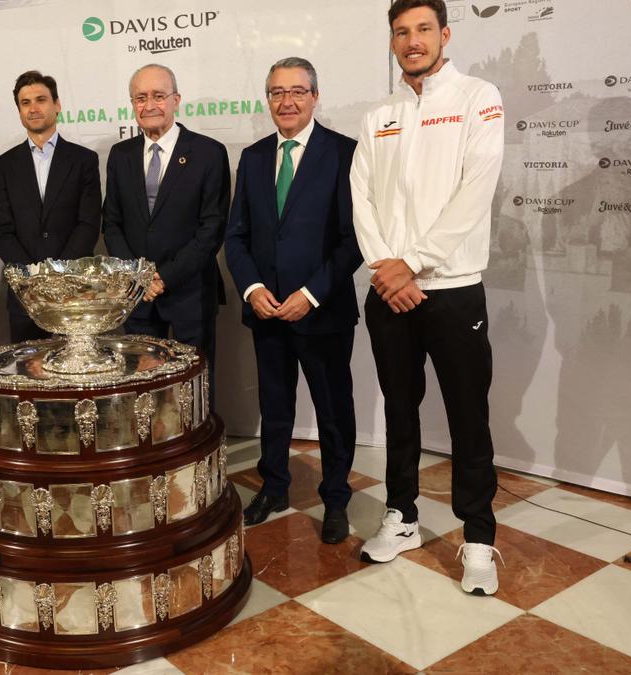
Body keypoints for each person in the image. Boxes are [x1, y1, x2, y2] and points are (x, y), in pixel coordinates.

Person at [351, 0, 506, 595]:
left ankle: (479, 539)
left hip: (453, 291)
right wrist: (387, 269)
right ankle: (403, 516)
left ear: (444, 34)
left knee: (470, 418)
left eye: (422, 30)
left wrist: (412, 263)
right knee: (400, 409)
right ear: (391, 42)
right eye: (400, 32)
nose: (412, 42)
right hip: (389, 293)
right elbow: (361, 194)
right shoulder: (380, 113)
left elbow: (476, 190)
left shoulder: (477, 96)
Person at [224, 57, 361, 544]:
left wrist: (310, 294)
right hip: (266, 312)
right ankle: (274, 487)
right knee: (275, 407)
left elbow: (353, 241)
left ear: (315, 96)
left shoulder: (345, 153)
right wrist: (253, 288)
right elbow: (235, 237)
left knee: (332, 410)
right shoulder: (255, 157)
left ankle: (336, 499)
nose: (287, 101)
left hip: (321, 312)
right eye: (277, 93)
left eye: (297, 91)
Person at [102, 64, 230, 404]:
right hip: (138, 296)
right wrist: (140, 277)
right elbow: (111, 223)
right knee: (144, 388)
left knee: (196, 386)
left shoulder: (208, 152)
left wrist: (164, 277)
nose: (150, 105)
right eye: (140, 98)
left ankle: (198, 452)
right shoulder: (120, 155)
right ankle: (153, 454)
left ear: (176, 100)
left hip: (190, 293)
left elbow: (212, 227)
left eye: (158, 96)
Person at [0, 70, 102, 343]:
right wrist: (34, 278)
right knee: (29, 375)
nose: (33, 108)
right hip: (25, 292)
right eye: (25, 102)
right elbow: (1, 229)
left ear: (57, 104)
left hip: (73, 289)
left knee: (74, 375)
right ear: (19, 110)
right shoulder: (4, 165)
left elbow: (88, 223)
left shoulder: (84, 160)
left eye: (41, 99)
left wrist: (59, 275)